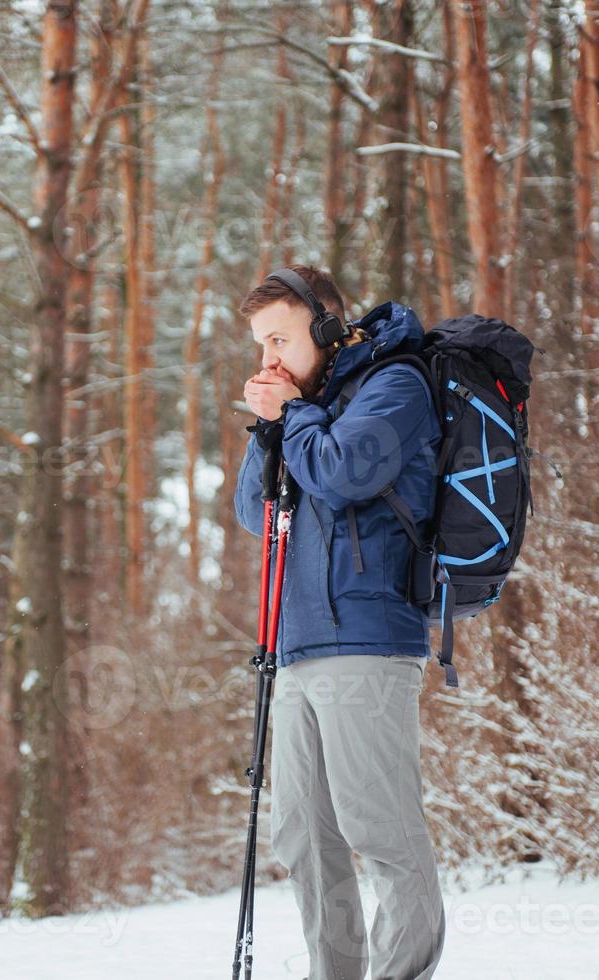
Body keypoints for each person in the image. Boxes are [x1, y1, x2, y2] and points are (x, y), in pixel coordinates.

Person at [233, 265, 446, 980]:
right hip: (294, 648)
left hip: (366, 638)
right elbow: (252, 514)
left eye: (280, 339)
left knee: (377, 829)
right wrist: (271, 429)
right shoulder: (300, 409)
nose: (267, 359)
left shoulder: (395, 386)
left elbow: (346, 471)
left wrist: (289, 417)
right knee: (305, 838)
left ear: (327, 327)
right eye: (259, 344)